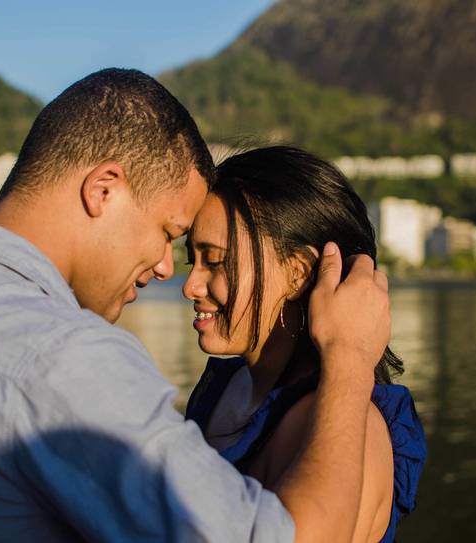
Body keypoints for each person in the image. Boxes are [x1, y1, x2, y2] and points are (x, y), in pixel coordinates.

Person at [0, 70, 391, 542]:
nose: (169, 270)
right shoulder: (61, 359)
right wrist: (349, 358)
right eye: (169, 233)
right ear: (104, 190)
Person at [183, 146, 427, 542]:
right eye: (189, 261)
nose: (191, 285)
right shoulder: (223, 387)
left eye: (215, 261)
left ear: (297, 274)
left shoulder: (350, 423)